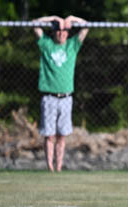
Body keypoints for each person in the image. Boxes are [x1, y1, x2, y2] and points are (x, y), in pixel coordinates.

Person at [33, 15, 89, 172]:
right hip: (49, 97)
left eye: (64, 31)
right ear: (54, 32)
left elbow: (86, 26)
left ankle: (59, 167)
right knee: (49, 135)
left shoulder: (72, 46)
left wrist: (72, 19)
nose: (61, 33)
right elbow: (34, 24)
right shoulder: (46, 45)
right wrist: (53, 18)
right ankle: (49, 166)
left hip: (65, 97)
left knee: (62, 135)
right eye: (58, 31)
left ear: (68, 33)